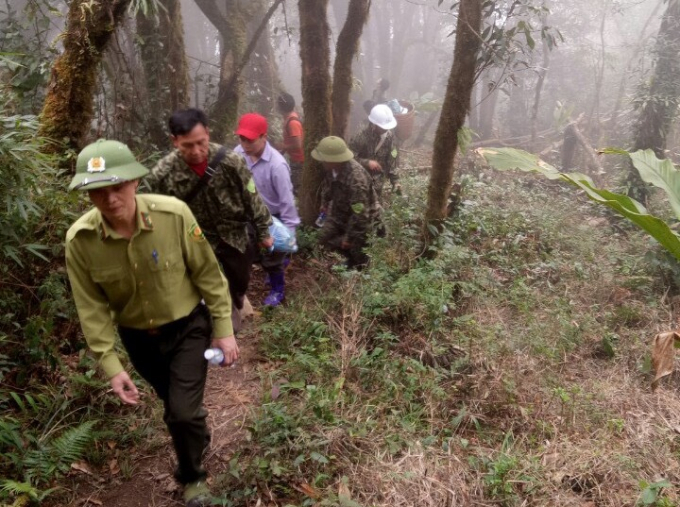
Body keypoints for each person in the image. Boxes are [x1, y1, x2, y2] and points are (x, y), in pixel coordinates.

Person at [65, 140, 237, 507]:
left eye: (117, 187)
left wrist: (223, 329)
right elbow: (91, 308)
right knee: (176, 406)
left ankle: (193, 479)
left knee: (181, 411)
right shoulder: (80, 241)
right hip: (139, 340)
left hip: (189, 328)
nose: (110, 199)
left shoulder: (172, 216)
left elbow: (208, 274)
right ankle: (195, 431)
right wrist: (111, 367)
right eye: (97, 191)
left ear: (135, 183)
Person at [148, 108, 273, 329]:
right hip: (197, 239)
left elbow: (251, 195)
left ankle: (237, 299)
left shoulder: (230, 161)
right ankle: (222, 327)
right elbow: (151, 210)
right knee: (209, 285)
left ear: (207, 132)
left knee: (239, 281)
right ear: (174, 141)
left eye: (201, 142)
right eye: (188, 145)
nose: (196, 151)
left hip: (235, 235)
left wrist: (264, 231)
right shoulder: (163, 174)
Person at [233, 113, 300, 306]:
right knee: (248, 252)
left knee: (273, 257)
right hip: (249, 214)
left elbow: (287, 202)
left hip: (273, 217)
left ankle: (277, 290)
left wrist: (289, 234)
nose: (246, 144)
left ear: (264, 137)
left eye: (251, 140)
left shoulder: (277, 166)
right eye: (242, 138)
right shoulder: (238, 154)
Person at [312, 136, 382, 269]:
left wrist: (348, 238)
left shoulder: (356, 180)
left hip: (363, 223)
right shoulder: (332, 169)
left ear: (334, 160)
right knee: (321, 239)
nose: (321, 162)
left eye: (324, 159)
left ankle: (354, 268)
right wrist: (324, 204)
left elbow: (361, 215)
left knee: (357, 257)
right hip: (340, 213)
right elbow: (327, 188)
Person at [349, 103, 400, 198]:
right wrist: (366, 162)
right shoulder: (361, 136)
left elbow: (392, 161)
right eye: (383, 127)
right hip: (359, 182)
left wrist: (395, 181)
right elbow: (349, 158)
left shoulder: (390, 137)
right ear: (374, 124)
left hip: (377, 185)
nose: (386, 129)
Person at [274, 92, 304, 192]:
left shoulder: (292, 123)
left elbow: (298, 145)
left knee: (297, 189)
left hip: (299, 162)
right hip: (295, 160)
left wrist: (283, 146)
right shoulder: (289, 118)